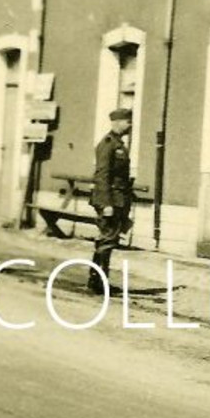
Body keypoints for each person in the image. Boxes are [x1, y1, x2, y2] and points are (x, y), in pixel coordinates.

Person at [87, 107, 134, 294]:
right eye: (127, 121)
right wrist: (106, 203)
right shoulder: (108, 144)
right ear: (117, 123)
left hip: (118, 199)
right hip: (110, 199)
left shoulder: (118, 144)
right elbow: (102, 175)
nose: (130, 125)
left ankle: (97, 280)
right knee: (107, 240)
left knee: (108, 240)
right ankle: (98, 281)